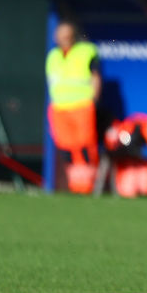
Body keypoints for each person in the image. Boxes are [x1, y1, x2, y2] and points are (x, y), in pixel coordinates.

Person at [45, 20, 101, 194]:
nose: (63, 38)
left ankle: (87, 185)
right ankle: (74, 184)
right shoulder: (53, 55)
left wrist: (94, 99)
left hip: (81, 105)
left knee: (84, 145)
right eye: (60, 34)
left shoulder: (86, 51)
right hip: (60, 107)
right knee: (66, 146)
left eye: (66, 34)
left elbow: (95, 77)